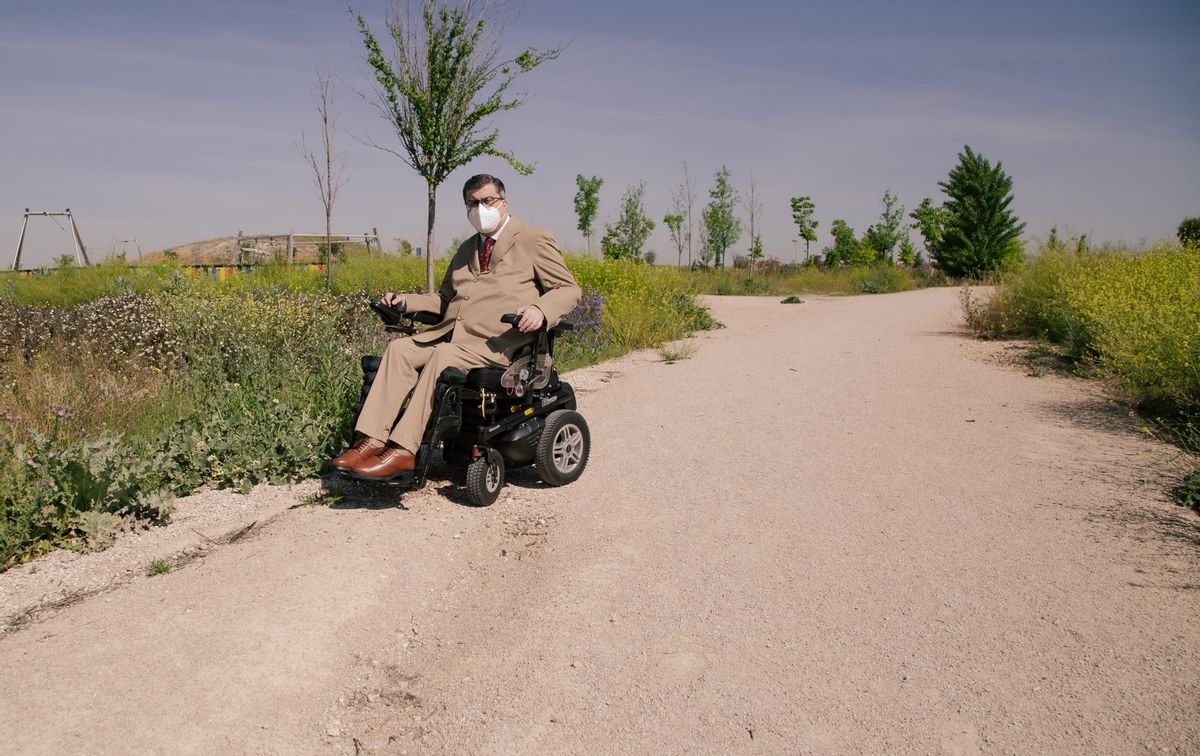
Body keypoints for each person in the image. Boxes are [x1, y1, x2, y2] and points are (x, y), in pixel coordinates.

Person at [332, 174, 582, 480]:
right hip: (454, 338)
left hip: (499, 345)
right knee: (400, 349)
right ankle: (370, 440)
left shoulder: (532, 239)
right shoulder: (466, 250)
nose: (480, 208)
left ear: (503, 202)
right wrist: (405, 302)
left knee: (443, 356)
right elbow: (446, 300)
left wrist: (540, 309)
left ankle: (403, 450)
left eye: (487, 201)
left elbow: (568, 289)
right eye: (472, 203)